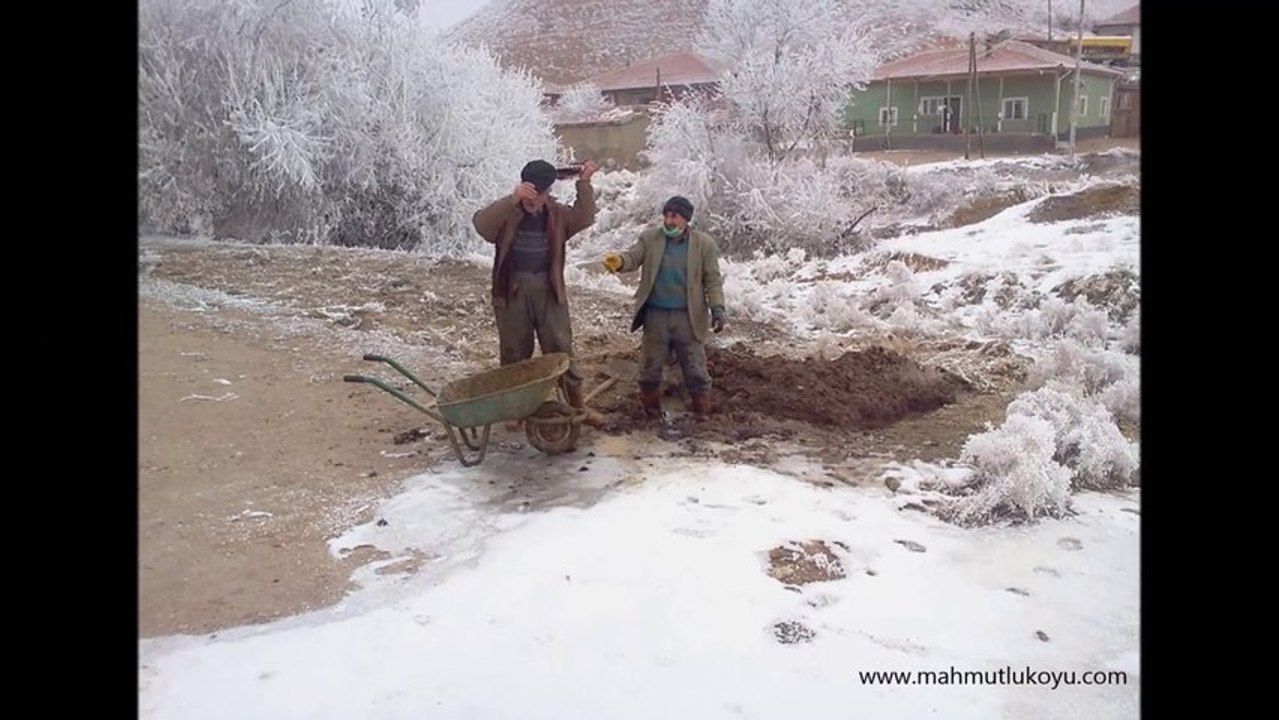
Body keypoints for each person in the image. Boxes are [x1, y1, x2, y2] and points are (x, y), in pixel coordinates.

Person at [471, 159, 604, 427]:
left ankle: (577, 405)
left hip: (548, 288)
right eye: (529, 194)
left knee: (560, 347)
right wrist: (512, 198)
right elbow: (482, 226)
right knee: (514, 351)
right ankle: (515, 411)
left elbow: (585, 216)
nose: (533, 201)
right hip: (512, 289)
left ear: (547, 193)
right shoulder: (508, 212)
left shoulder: (557, 214)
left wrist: (584, 183)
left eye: (539, 196)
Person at [602, 195, 726, 420]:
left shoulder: (703, 244)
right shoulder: (650, 239)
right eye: (666, 215)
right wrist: (619, 262)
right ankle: (651, 415)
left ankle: (702, 416)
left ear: (686, 219)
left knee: (696, 371)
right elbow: (633, 257)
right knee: (649, 371)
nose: (668, 221)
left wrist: (718, 307)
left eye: (674, 216)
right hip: (655, 317)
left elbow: (713, 279)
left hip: (687, 318)